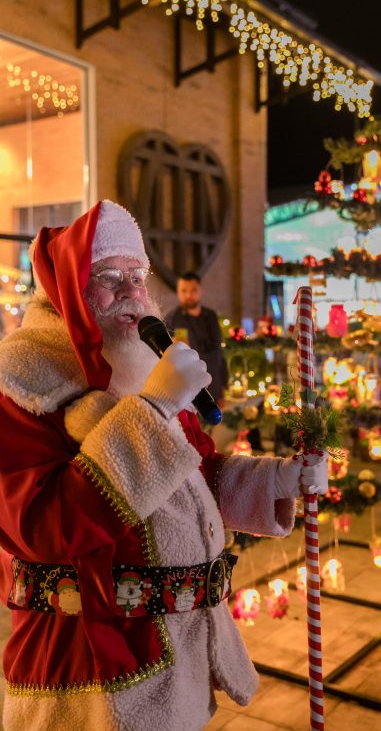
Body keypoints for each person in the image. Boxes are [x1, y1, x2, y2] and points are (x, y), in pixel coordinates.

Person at [0, 200, 328, 731]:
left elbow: (199, 475)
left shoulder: (141, 362)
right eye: (108, 277)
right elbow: (43, 524)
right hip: (88, 670)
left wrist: (281, 479)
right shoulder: (22, 384)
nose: (131, 291)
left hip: (179, 653)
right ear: (68, 292)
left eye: (138, 274)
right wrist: (153, 411)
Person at [165, 272, 228, 405]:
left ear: (200, 290)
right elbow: (164, 358)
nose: (188, 295)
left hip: (214, 386)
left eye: (193, 290)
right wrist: (174, 347)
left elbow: (219, 353)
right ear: (178, 292)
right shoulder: (171, 319)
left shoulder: (211, 316)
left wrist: (223, 387)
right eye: (184, 291)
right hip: (187, 390)